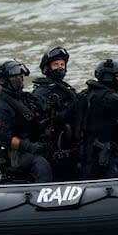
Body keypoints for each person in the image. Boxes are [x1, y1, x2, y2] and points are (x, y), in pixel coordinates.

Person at [0, 60, 53, 183]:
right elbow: (4, 137)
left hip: (32, 145)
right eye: (14, 77)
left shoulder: (24, 99)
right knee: (40, 164)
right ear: (5, 81)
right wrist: (28, 146)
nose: (19, 80)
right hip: (14, 154)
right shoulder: (1, 107)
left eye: (20, 77)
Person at [32, 46, 79, 178]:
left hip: (71, 144)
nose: (60, 67)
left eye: (62, 64)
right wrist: (72, 108)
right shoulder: (42, 92)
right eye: (55, 64)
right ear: (47, 67)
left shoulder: (66, 88)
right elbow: (49, 120)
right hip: (55, 148)